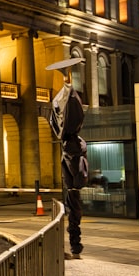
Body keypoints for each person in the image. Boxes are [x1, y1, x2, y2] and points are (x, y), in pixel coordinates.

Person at [50, 68, 88, 259]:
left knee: (74, 217)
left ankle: (76, 248)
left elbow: (76, 173)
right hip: (72, 190)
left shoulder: (73, 145)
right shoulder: (70, 144)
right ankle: (75, 247)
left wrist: (67, 84)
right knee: (73, 216)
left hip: (73, 192)